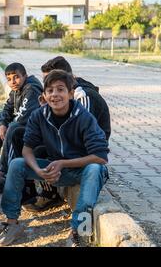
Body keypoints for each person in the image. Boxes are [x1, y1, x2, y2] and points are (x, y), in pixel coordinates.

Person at [0, 70, 109, 247]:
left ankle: (79, 232)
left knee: (95, 169)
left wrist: (62, 163)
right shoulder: (39, 115)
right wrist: (39, 170)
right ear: (44, 95)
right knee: (17, 164)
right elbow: (27, 149)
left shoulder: (84, 117)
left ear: (71, 93)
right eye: (50, 90)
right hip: (56, 170)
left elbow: (101, 157)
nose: (55, 95)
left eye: (60, 89)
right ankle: (12, 224)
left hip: (83, 170)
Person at [24, 56, 111, 212]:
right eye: (48, 87)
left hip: (84, 150)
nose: (51, 90)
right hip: (71, 146)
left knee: (41, 150)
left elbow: (77, 133)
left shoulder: (83, 96)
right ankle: (30, 188)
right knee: (24, 138)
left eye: (57, 86)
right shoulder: (58, 98)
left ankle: (52, 194)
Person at [0, 63, 42, 199]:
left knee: (13, 127)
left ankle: (3, 176)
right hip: (24, 127)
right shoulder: (16, 90)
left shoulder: (32, 89)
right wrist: (2, 124)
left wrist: (8, 128)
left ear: (25, 76)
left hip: (36, 133)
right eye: (9, 79)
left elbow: (23, 117)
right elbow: (6, 109)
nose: (12, 82)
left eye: (16, 77)